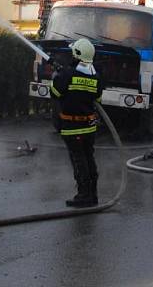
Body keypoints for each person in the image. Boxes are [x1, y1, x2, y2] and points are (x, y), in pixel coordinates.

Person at [50, 38, 104, 208]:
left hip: (72, 128)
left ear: (76, 55)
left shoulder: (67, 74)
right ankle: (93, 194)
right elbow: (98, 99)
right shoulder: (96, 77)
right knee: (88, 157)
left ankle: (83, 195)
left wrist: (57, 75)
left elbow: (55, 93)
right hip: (89, 127)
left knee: (78, 160)